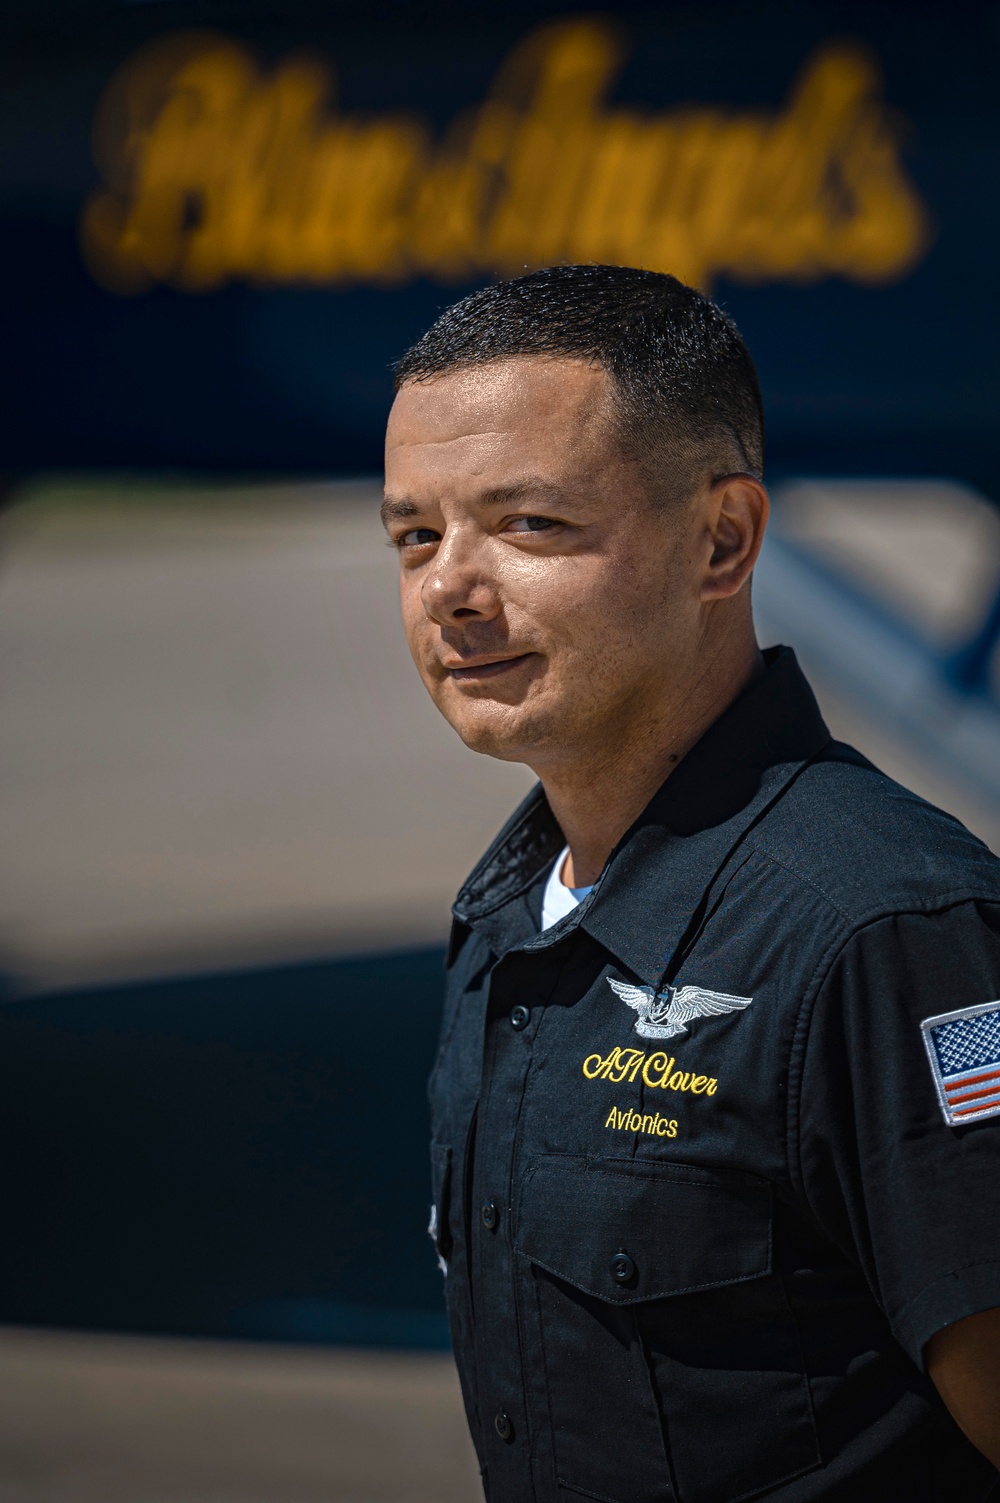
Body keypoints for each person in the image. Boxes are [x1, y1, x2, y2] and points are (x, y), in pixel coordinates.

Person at [381, 264, 1000, 1502]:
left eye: (530, 525)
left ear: (722, 540)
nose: (449, 585)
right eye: (414, 535)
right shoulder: (511, 916)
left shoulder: (886, 933)